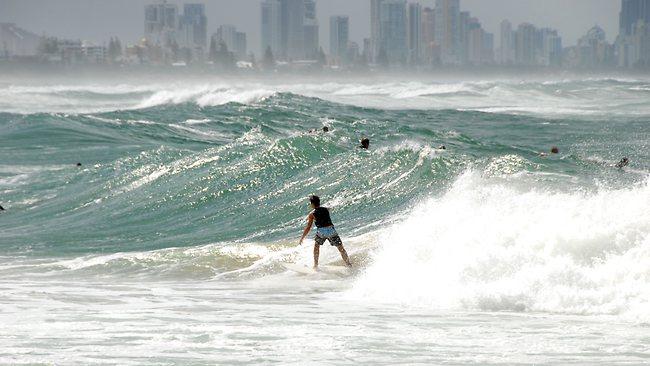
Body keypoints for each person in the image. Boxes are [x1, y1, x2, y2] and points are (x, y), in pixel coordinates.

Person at [298, 195, 352, 268]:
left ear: (312, 204)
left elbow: (308, 227)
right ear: (319, 202)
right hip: (331, 231)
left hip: (321, 232)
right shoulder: (326, 209)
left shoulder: (312, 214)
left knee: (316, 247)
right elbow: (328, 208)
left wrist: (302, 237)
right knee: (341, 249)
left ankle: (315, 266)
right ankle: (349, 264)